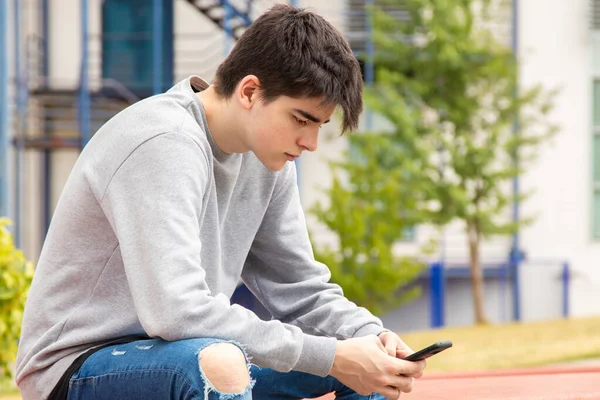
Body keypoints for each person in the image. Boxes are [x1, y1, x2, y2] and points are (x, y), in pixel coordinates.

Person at [15, 4, 426, 400]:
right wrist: (332, 356)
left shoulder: (270, 162)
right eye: (301, 120)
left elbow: (299, 288)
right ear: (250, 91)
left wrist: (367, 336)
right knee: (222, 363)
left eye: (320, 126)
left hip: (187, 348)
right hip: (78, 365)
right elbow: (176, 311)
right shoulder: (163, 142)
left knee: (368, 364)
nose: (311, 143)